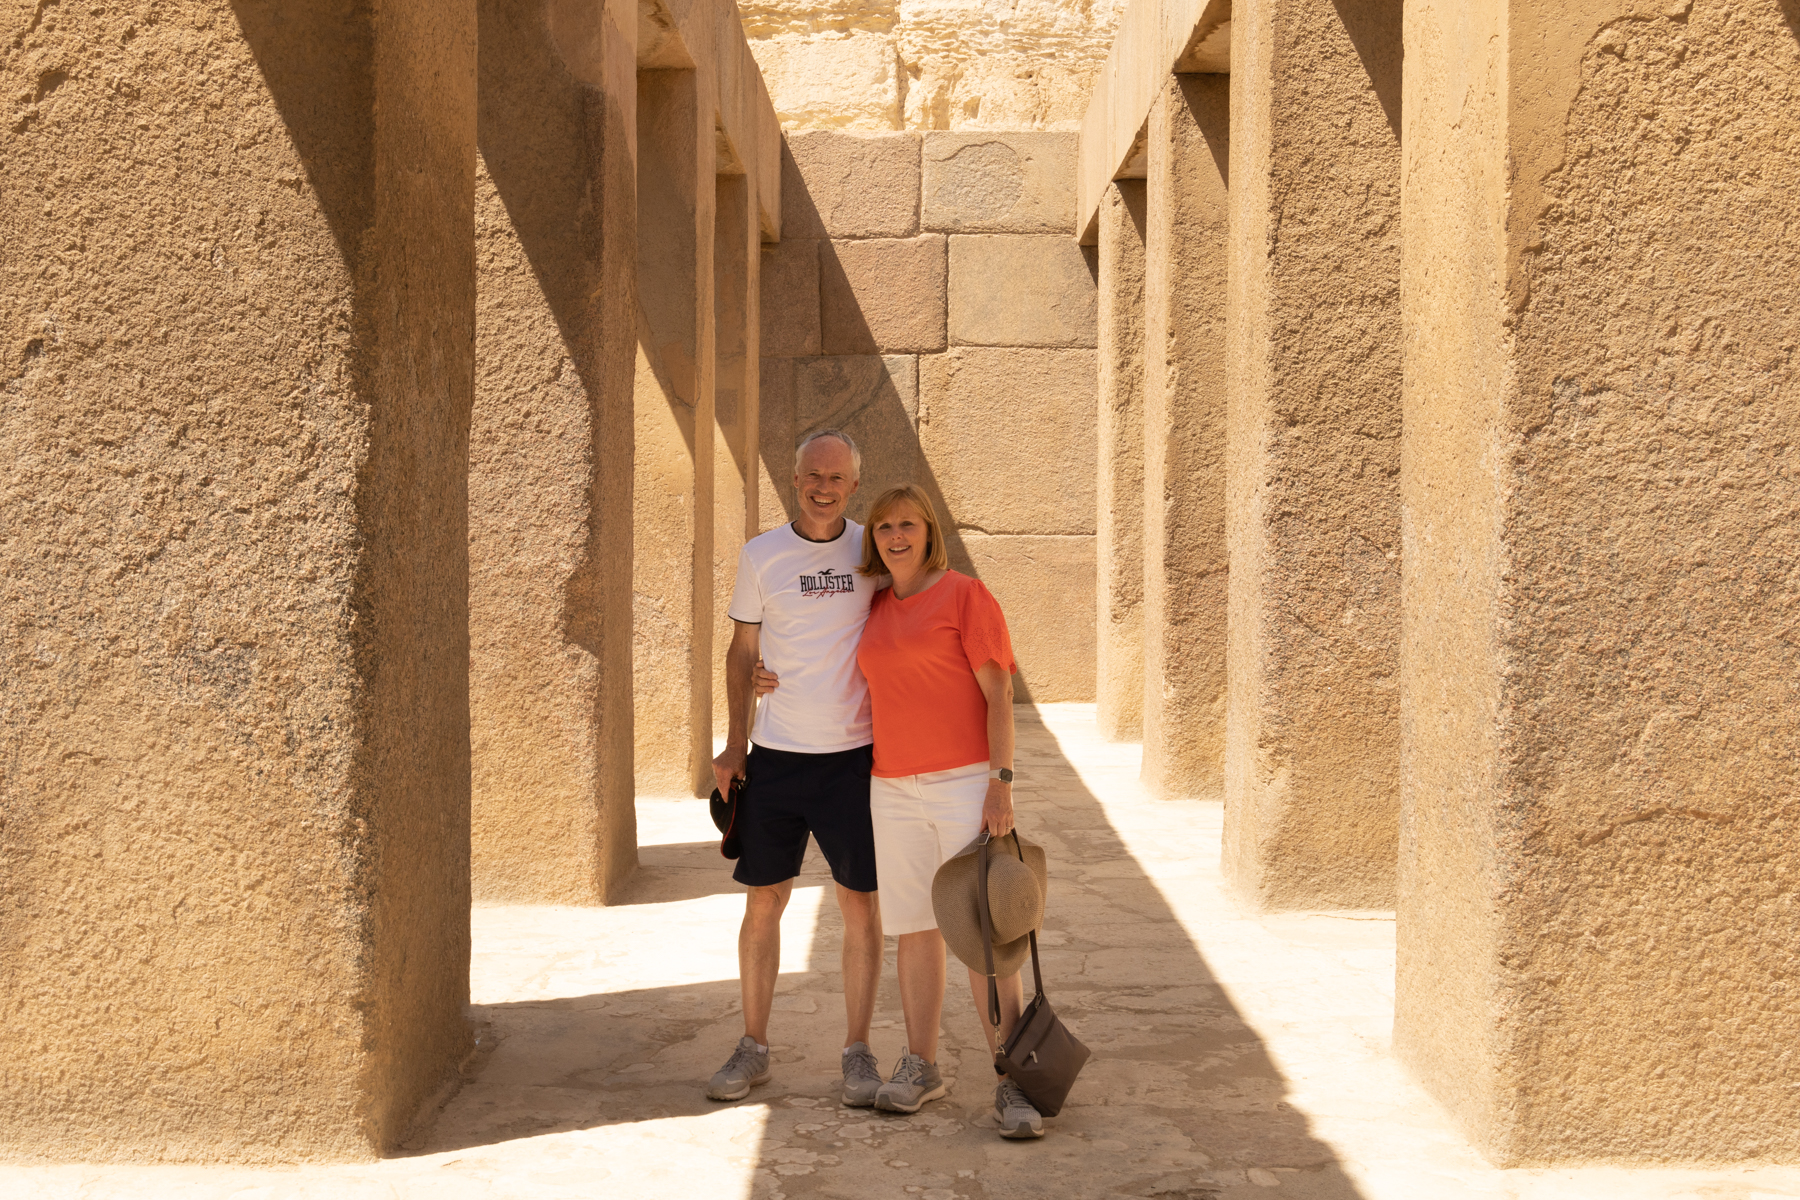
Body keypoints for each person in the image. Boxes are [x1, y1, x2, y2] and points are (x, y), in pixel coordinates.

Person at [755, 484, 1044, 1139]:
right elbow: (822, 656)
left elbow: (999, 695)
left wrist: (1001, 781)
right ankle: (922, 1066)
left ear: (928, 530)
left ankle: (1017, 1082)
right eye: (883, 527)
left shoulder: (966, 597)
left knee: (986, 939)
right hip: (891, 788)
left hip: (965, 784)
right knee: (916, 930)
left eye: (906, 524)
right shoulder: (876, 606)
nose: (894, 536)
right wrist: (764, 674)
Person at [706, 429, 887, 1108]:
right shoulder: (762, 554)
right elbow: (740, 648)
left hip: (854, 760)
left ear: (854, 485)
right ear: (795, 477)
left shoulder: (873, 549)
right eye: (812, 474)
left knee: (860, 907)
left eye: (836, 477)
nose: (822, 486)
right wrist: (733, 743)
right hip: (778, 757)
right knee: (764, 901)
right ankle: (753, 1047)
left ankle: (858, 1053)